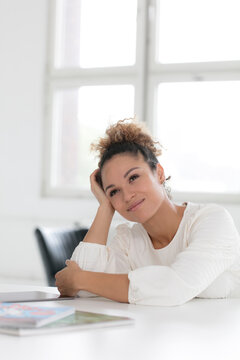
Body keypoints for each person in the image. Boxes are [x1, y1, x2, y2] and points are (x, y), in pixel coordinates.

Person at [55, 119, 240, 306]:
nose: (127, 196)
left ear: (159, 173)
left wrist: (81, 279)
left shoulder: (211, 220)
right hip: (161, 331)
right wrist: (105, 208)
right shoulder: (128, 239)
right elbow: (86, 292)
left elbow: (173, 287)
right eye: (114, 191)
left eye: (133, 177)